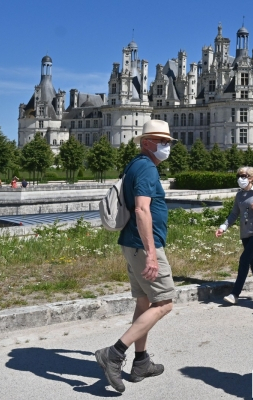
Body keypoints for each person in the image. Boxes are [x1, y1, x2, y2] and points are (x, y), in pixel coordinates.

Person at [95, 120, 175, 393]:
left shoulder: (136, 164)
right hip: (143, 247)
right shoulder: (147, 168)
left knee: (144, 303)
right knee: (164, 304)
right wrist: (152, 254)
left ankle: (141, 362)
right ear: (146, 142)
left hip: (131, 244)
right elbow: (142, 210)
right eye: (162, 141)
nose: (167, 146)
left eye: (168, 142)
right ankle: (114, 353)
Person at [215, 166, 253, 304]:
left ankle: (235, 293)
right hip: (245, 233)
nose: (240, 179)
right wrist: (223, 227)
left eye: (244, 176)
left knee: (244, 259)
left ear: (252, 177)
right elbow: (234, 214)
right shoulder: (240, 195)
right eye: (239, 176)